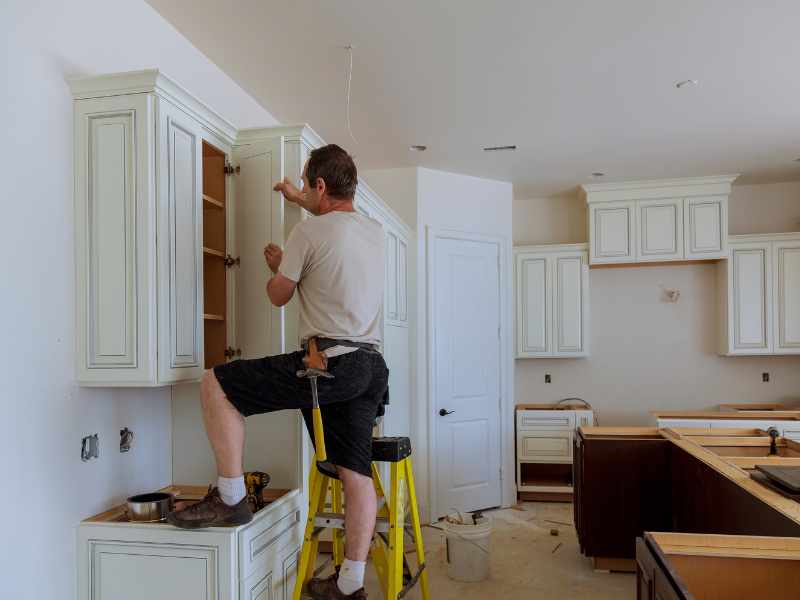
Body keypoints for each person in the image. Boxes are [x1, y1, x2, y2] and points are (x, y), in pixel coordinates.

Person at [167, 144, 387, 600]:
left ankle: (230, 497)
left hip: (329, 362)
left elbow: (278, 296)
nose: (303, 189)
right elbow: (333, 239)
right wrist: (298, 198)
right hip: (370, 365)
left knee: (217, 383)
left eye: (308, 183)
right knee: (355, 473)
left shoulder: (308, 234)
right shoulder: (373, 230)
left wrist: (279, 267)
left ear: (320, 185)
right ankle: (350, 586)